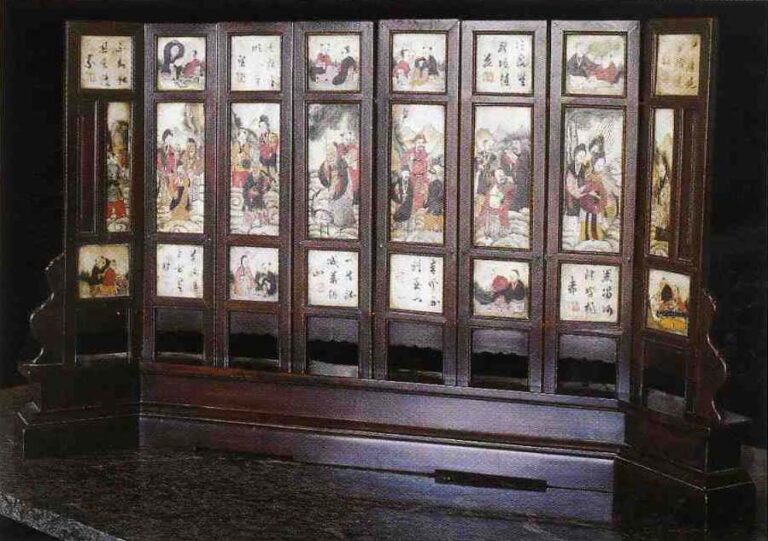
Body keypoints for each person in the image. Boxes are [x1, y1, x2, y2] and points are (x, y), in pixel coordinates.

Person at [422, 165, 444, 232]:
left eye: (429, 175)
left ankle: (436, 226)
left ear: (433, 175)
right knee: (427, 214)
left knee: (434, 212)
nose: (428, 177)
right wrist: (425, 205)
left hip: (437, 204)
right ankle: (432, 227)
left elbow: (441, 195)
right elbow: (429, 197)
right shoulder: (430, 184)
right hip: (432, 204)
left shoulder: (440, 183)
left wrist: (433, 202)